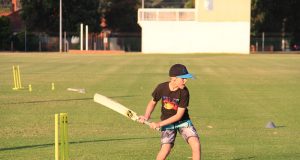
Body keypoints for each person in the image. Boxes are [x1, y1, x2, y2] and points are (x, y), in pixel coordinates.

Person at [138, 64, 201, 160]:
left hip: (183, 122)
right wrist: (146, 116)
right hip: (167, 123)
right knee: (165, 149)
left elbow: (179, 116)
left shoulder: (184, 92)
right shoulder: (161, 87)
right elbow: (152, 102)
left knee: (196, 144)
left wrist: (159, 124)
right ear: (174, 79)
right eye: (183, 78)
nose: (185, 81)